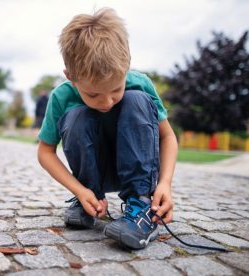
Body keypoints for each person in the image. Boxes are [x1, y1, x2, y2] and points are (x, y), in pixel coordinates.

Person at [37, 7, 178, 249]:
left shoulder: (140, 84)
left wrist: (165, 183)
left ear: (127, 67)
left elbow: (167, 137)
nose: (107, 102)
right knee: (76, 116)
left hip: (138, 169)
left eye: (115, 90)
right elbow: (45, 152)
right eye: (92, 94)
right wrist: (79, 190)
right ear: (70, 76)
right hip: (94, 173)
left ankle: (141, 206)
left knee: (136, 101)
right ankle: (89, 200)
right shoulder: (61, 96)